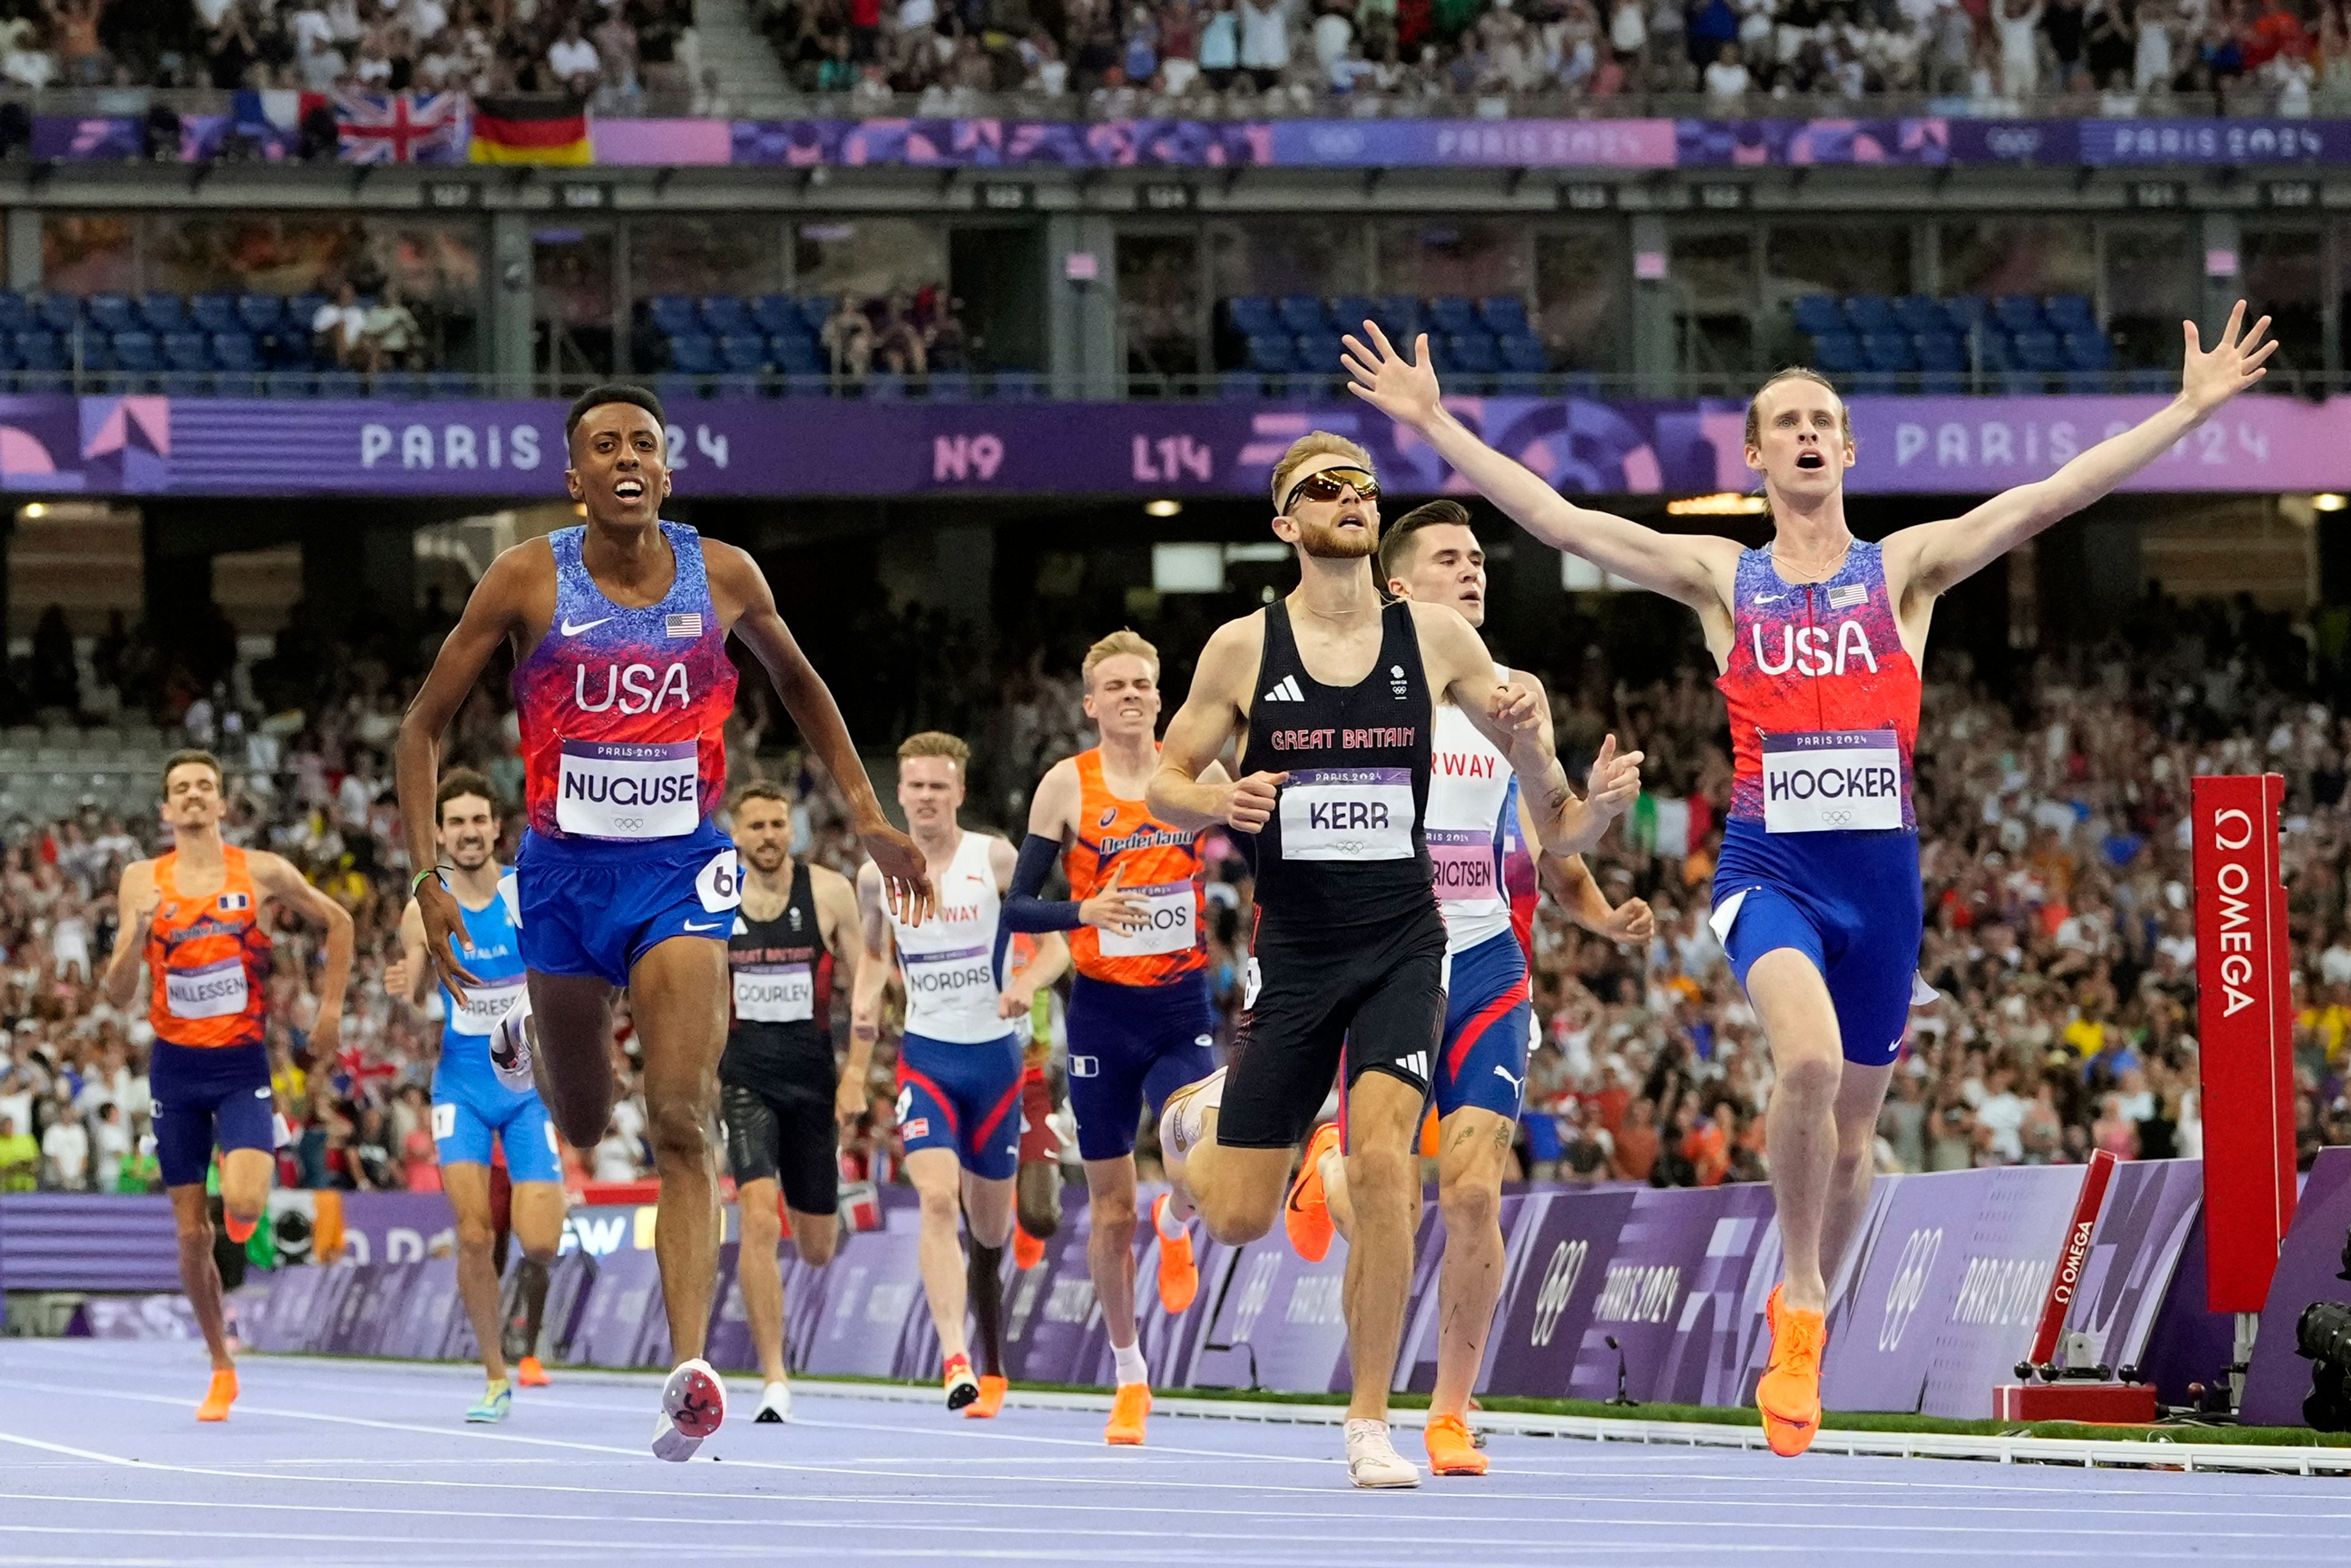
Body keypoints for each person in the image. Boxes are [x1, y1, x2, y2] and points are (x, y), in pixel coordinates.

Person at [1341, 300, 2276, 1457]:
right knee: (1812, 1063)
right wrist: (1438, 424)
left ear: (1849, 448)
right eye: (1785, 421)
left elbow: (2055, 496)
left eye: (1824, 420)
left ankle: (1815, 1295)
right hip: (1767, 864)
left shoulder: (1907, 572)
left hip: (1881, 879)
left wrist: (2184, 410)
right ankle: (1798, 1295)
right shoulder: (1724, 578)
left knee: (1854, 1138)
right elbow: (1559, 515)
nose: (1807, 434)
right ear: (1754, 453)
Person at [395, 383, 929, 1463]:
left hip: (682, 872)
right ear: (575, 477)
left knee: (683, 1116)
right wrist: (424, 876)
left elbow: (804, 685)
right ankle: (548, 1054)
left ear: (669, 471)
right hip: (558, 880)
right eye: (605, 445)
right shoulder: (525, 577)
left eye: (645, 442)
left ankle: (689, 1370)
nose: (628, 457)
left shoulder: (723, 573)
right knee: (586, 1119)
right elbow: (421, 727)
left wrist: (867, 812)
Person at [1144, 433, 1643, 1488]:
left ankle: (1371, 1423)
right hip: (1297, 951)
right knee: (1238, 1210)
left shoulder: (1440, 641)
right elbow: (1164, 778)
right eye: (1322, 488)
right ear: (1286, 525)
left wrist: (1584, 804)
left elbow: (1550, 817)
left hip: (1405, 944)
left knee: (1383, 1169)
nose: (1350, 499)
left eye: (1364, 486)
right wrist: (1214, 802)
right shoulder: (1243, 648)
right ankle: (1193, 1120)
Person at [1282, 500, 1655, 1476]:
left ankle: (1449, 1408)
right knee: (1389, 1194)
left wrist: (1602, 829)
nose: (1475, 571)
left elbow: (1555, 831)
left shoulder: (1513, 695)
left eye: (1482, 558)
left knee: (1477, 1194)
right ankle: (1323, 1170)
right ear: (1400, 586)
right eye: (1452, 559)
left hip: (1487, 963)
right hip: (1387, 958)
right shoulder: (1355, 678)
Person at [1004, 628, 1225, 1447]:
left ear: (1162, 697)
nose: (1132, 694)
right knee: (1107, 1207)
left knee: (1201, 1161)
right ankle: (1130, 1375)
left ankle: (1180, 1221)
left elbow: (1268, 850)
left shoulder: (1196, 770)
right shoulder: (1065, 786)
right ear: (1091, 702)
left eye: (1144, 682)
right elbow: (1018, 907)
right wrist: (1082, 912)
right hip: (1100, 1012)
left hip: (1179, 1005)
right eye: (1116, 685)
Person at [102, 748, 354, 1422]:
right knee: (191, 1235)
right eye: (179, 788)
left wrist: (329, 1012)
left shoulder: (263, 872)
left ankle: (242, 1218)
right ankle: (220, 1363)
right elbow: (117, 992)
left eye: (203, 787)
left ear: (221, 803)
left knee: (241, 1208)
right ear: (165, 808)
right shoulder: (140, 879)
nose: (191, 796)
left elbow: (341, 920)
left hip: (242, 1068)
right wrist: (135, 937)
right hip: (175, 1073)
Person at [855, 732, 1068, 1417]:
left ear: (959, 793)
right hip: (928, 1058)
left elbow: (1057, 945)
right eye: (913, 785)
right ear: (901, 792)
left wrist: (1026, 980)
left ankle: (989, 1330)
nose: (924, 797)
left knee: (990, 1228)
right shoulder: (875, 874)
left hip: (998, 1061)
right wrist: (863, 1021)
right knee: (937, 1200)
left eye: (937, 786)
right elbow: (869, 955)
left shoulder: (995, 856)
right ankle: (955, 1357)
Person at [387, 770, 565, 1424]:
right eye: (454, 821)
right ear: (438, 833)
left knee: (541, 1239)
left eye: (477, 820)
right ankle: (495, 1375)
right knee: (471, 1232)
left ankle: (526, 1315)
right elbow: (409, 998)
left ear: (496, 827)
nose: (466, 832)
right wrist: (404, 984)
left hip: (526, 1091)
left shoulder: (528, 893)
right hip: (460, 1085)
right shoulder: (424, 906)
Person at [719, 779, 868, 1425]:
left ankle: (819, 1230)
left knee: (815, 1244)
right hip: (744, 1078)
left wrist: (859, 1071)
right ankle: (774, 1375)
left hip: (813, 1081)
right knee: (756, 1218)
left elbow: (866, 991)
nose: (769, 837)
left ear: (794, 827)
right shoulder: (715, 898)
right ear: (737, 833)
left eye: (778, 824)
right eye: (755, 826)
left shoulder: (830, 892)